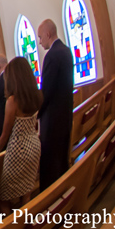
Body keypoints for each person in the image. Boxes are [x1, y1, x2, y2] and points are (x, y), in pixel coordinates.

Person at [0, 57, 43, 214]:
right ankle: (28, 224)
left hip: (18, 151)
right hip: (34, 145)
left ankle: (13, 226)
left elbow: (5, 135)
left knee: (3, 197)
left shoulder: (12, 101)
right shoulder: (37, 95)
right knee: (26, 194)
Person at [36, 19, 74, 191]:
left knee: (50, 165)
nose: (39, 41)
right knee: (61, 160)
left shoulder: (51, 55)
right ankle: (64, 194)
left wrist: (36, 113)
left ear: (48, 34)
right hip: (65, 114)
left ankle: (51, 205)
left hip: (52, 121)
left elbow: (47, 91)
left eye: (40, 37)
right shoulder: (66, 51)